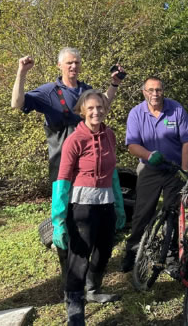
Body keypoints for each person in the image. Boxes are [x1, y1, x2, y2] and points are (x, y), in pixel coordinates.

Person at [11, 47, 126, 301]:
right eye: (69, 63)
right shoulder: (48, 92)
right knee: (64, 230)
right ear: (59, 66)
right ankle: (70, 287)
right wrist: (21, 73)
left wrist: (113, 84)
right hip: (62, 170)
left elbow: (101, 107)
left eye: (77, 63)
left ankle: (91, 287)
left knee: (92, 230)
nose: (74, 67)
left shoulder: (85, 90)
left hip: (89, 171)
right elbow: (17, 103)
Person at [51, 90, 119, 325]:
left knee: (105, 251)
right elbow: (62, 179)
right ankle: (74, 306)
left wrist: (118, 205)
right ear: (82, 111)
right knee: (79, 258)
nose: (96, 112)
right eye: (90, 108)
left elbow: (113, 172)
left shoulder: (110, 135)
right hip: (82, 206)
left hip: (106, 203)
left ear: (105, 109)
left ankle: (92, 289)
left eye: (99, 107)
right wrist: (58, 219)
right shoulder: (75, 139)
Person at [121, 76, 188, 272]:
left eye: (159, 90)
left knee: (174, 213)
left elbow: (187, 141)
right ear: (144, 91)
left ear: (163, 91)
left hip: (173, 170)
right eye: (151, 90)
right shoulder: (136, 113)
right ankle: (133, 250)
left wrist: (185, 171)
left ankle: (171, 255)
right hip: (149, 169)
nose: (155, 94)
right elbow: (132, 145)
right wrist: (148, 154)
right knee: (142, 212)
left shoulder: (176, 110)